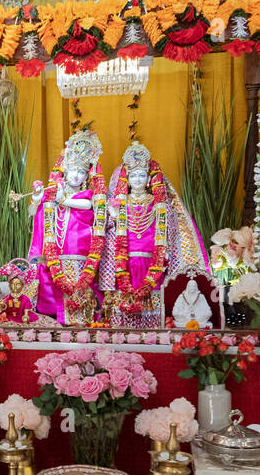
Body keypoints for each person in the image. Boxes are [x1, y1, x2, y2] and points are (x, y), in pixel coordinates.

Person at [100, 141, 211, 327]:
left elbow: (169, 228)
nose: (137, 179)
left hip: (152, 260)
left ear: (149, 178)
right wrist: (111, 215)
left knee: (151, 300)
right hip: (125, 260)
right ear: (127, 178)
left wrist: (164, 251)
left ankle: (151, 335)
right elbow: (106, 229)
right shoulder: (119, 203)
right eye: (133, 175)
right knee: (125, 298)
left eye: (141, 175)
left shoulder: (159, 204)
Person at [29, 130, 105, 325]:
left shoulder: (87, 195)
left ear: (87, 174)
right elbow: (35, 207)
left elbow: (88, 205)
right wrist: (37, 194)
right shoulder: (54, 191)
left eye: (81, 171)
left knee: (80, 286)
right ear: (65, 169)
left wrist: (63, 199)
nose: (76, 176)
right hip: (56, 253)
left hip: (80, 253)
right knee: (54, 285)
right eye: (73, 170)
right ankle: (54, 319)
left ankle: (83, 317)